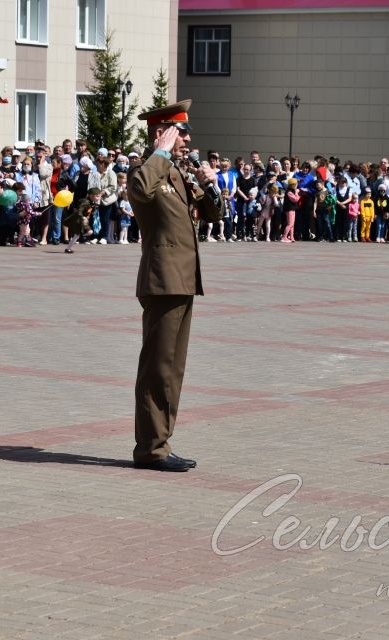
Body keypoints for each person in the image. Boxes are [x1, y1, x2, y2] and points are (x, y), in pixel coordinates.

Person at [127, 99, 221, 472]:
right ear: (161, 133)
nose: (186, 139)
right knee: (158, 367)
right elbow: (139, 191)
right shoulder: (148, 170)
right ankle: (150, 449)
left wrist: (209, 186)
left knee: (173, 368)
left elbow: (214, 213)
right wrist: (159, 153)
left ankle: (161, 442)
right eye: (180, 132)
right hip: (162, 280)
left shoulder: (177, 176)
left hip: (182, 280)